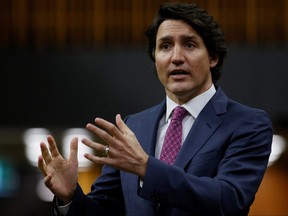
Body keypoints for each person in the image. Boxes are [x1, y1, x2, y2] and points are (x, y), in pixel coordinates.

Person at [38, 2, 273, 216]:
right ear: (155, 58)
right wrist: (69, 197)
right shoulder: (133, 126)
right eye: (165, 46)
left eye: (189, 44)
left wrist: (146, 168)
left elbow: (228, 199)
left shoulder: (248, 123)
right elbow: (104, 210)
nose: (176, 57)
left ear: (212, 57)